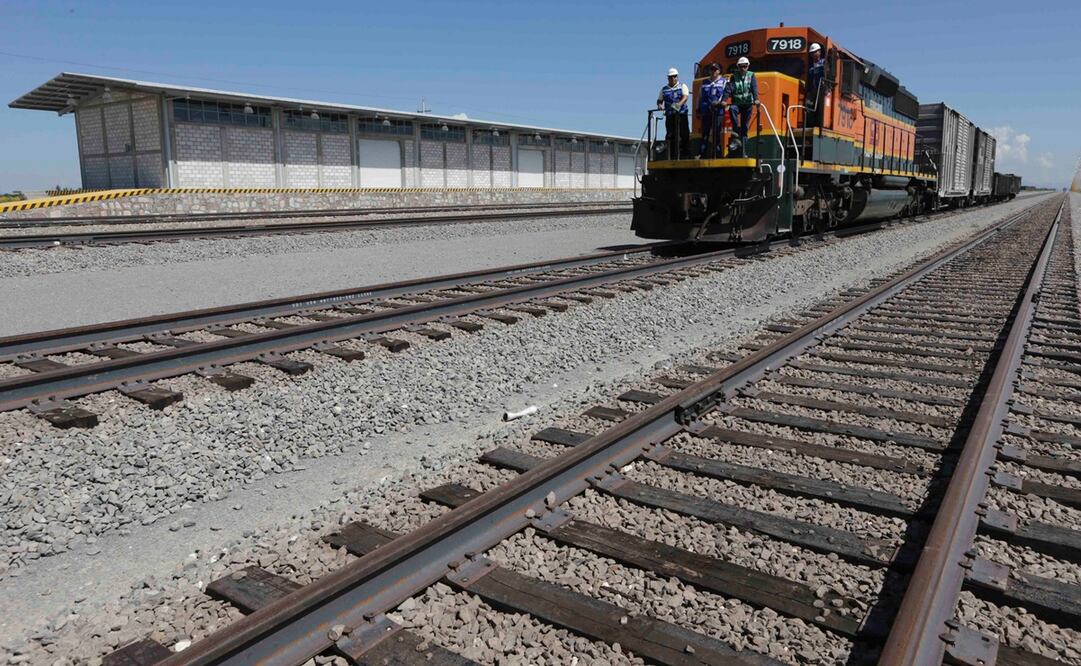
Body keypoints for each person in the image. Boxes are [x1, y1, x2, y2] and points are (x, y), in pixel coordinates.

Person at [727, 56, 759, 157]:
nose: (743, 68)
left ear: (748, 66)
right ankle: (736, 130)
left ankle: (744, 151)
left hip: (748, 104)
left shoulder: (751, 75)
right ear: (738, 67)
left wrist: (756, 98)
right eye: (741, 66)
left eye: (745, 66)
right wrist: (724, 100)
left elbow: (754, 87)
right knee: (732, 108)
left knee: (745, 127)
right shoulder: (733, 76)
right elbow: (729, 89)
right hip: (737, 103)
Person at [657, 68, 690, 160]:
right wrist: (660, 105)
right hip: (670, 115)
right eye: (670, 77)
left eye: (674, 76)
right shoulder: (664, 89)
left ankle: (685, 154)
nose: (672, 78)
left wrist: (678, 105)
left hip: (681, 114)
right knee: (670, 135)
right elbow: (659, 100)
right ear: (668, 78)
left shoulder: (682, 86)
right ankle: (671, 154)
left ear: (677, 77)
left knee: (684, 134)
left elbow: (685, 97)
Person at [697, 63, 728, 159]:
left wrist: (720, 103)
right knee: (705, 134)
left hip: (718, 111)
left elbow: (726, 95)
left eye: (715, 69)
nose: (713, 71)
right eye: (712, 69)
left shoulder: (724, 82)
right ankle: (702, 154)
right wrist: (697, 109)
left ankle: (717, 154)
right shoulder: (704, 82)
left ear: (719, 71)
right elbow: (699, 96)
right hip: (706, 111)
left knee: (717, 133)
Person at [806, 43, 825, 126]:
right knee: (808, 105)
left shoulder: (824, 63)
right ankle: (809, 123)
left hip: (821, 90)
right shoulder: (810, 68)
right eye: (812, 53)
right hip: (812, 91)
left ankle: (819, 123)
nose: (813, 54)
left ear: (819, 52)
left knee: (821, 107)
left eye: (815, 52)